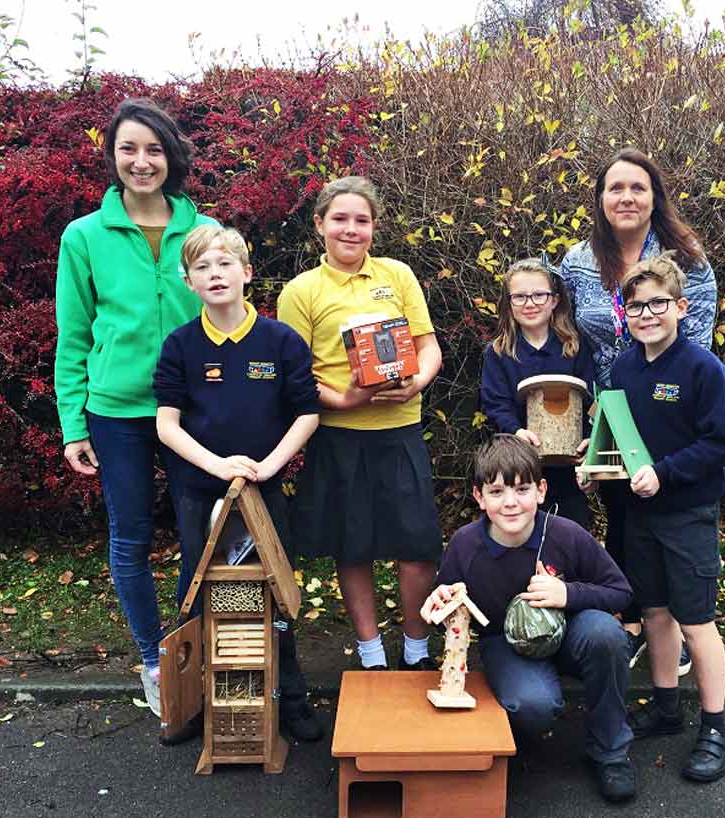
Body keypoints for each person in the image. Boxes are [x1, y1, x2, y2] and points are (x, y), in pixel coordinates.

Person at [54, 97, 218, 716]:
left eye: (153, 149)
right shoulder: (84, 236)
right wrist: (74, 424)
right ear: (113, 155)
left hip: (191, 409)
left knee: (197, 533)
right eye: (129, 149)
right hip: (115, 412)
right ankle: (154, 661)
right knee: (130, 538)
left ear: (170, 156)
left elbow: (226, 315)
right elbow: (72, 336)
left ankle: (187, 650)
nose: (141, 161)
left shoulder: (202, 232)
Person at [154, 225, 324, 743]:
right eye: (202, 268)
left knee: (273, 589)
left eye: (225, 264)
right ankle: (196, 703)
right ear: (189, 281)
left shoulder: (280, 341)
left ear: (247, 272)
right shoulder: (180, 345)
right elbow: (167, 424)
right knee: (198, 589)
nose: (215, 274)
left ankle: (289, 696)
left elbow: (307, 414)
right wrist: (218, 466)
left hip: (263, 488)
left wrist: (267, 467)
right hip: (199, 489)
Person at [561, 147, 717, 675]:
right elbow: (568, 337)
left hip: (668, 414)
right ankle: (636, 624)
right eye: (615, 188)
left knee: (672, 518)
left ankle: (680, 624)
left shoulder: (687, 260)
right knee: (624, 520)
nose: (626, 197)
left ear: (655, 198)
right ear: (600, 199)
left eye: (638, 188)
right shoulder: (578, 261)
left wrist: (666, 411)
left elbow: (696, 341)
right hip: (608, 412)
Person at [278, 176, 443, 672]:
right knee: (354, 547)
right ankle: (371, 654)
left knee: (417, 546)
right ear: (319, 225)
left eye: (362, 220)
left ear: (374, 227)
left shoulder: (398, 275)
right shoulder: (300, 291)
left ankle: (416, 649)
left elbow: (428, 345)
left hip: (400, 430)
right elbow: (296, 376)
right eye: (340, 219)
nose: (351, 229)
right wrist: (345, 400)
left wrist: (417, 384)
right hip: (339, 435)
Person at [422, 436, 636, 802]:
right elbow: (446, 603)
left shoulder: (565, 534)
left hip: (569, 632)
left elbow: (621, 592)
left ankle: (610, 751)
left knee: (607, 634)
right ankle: (518, 733)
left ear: (541, 490)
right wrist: (437, 602)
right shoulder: (465, 545)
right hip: (505, 644)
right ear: (479, 497)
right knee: (533, 705)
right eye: (497, 491)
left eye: (522, 489)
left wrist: (567, 594)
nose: (510, 503)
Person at [599, 253, 725, 782]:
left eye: (658, 304)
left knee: (696, 621)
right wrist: (602, 467)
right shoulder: (625, 366)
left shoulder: (702, 368)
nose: (647, 315)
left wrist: (665, 473)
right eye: (636, 307)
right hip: (639, 515)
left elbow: (722, 441)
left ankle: (715, 727)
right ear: (625, 314)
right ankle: (665, 707)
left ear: (681, 307)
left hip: (688, 514)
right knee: (655, 613)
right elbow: (618, 435)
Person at [479, 257, 595, 528]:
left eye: (539, 295)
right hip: (517, 466)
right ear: (508, 304)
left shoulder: (575, 346)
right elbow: (495, 403)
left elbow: (591, 398)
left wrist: (589, 441)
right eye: (519, 297)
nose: (530, 304)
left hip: (568, 466)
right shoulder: (499, 353)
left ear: (554, 300)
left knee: (571, 531)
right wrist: (516, 431)